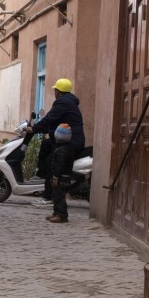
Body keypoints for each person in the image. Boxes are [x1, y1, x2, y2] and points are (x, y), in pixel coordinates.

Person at [20, 78, 85, 221]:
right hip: (68, 139)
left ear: (58, 91)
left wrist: (34, 128)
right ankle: (55, 208)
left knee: (54, 169)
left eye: (55, 90)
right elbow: (54, 121)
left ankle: (57, 207)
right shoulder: (69, 102)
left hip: (69, 143)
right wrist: (44, 130)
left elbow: (50, 118)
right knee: (45, 148)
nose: (54, 92)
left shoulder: (62, 103)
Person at [47, 124, 76, 223]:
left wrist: (55, 177)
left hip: (61, 178)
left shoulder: (62, 151)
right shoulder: (68, 148)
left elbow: (59, 166)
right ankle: (56, 212)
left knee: (59, 197)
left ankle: (62, 215)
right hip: (64, 178)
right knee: (56, 196)